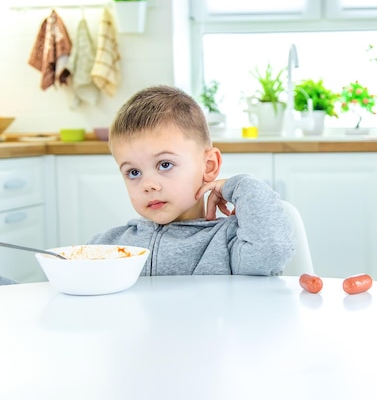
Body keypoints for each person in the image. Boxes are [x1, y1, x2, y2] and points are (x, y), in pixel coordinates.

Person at [88, 85, 295, 276]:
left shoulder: (230, 240)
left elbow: (272, 251)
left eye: (165, 164)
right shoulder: (112, 246)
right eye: (133, 172)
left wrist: (240, 186)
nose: (148, 185)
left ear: (209, 166)